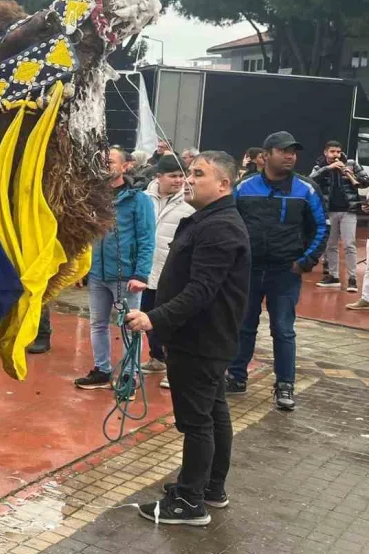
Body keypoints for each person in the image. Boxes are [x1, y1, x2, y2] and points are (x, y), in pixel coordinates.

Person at [126, 151, 250, 527]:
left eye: (198, 174)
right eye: (189, 172)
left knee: (197, 422)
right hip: (204, 340)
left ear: (223, 184)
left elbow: (201, 291)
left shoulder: (220, 227)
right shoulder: (208, 220)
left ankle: (190, 502)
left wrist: (152, 318)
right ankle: (209, 487)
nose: (188, 180)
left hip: (200, 341)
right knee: (212, 414)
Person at [228, 131, 328, 411]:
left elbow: (321, 227)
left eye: (293, 152)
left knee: (283, 330)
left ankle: (285, 385)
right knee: (243, 326)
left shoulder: (306, 189)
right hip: (248, 271)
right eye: (284, 151)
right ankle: (236, 377)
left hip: (285, 272)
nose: (290, 156)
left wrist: (304, 262)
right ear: (265, 155)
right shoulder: (244, 187)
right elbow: (228, 221)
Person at [75, 146, 156, 390]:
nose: (104, 166)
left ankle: (130, 375)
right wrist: (82, 269)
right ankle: (102, 369)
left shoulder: (139, 200)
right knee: (97, 323)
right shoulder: (93, 198)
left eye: (109, 161)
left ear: (125, 166)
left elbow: (146, 238)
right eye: (100, 162)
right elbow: (85, 235)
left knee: (130, 326)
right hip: (98, 274)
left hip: (126, 277)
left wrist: (141, 273)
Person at [140, 155, 195, 387]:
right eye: (173, 176)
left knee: (170, 320)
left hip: (170, 272)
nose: (179, 180)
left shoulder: (189, 203)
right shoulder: (143, 199)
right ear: (158, 176)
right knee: (145, 315)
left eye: (182, 176)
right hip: (144, 271)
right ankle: (156, 358)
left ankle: (175, 367)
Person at [310, 141, 369, 292]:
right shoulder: (320, 166)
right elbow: (310, 181)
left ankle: (352, 279)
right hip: (329, 210)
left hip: (348, 210)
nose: (335, 155)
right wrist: (326, 169)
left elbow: (365, 182)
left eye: (338, 151)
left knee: (350, 245)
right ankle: (333, 276)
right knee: (331, 245)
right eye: (332, 152)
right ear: (326, 152)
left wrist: (352, 175)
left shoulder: (350, 163)